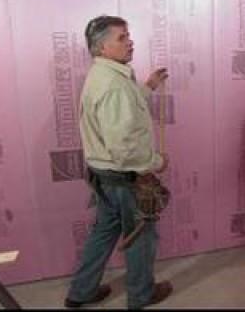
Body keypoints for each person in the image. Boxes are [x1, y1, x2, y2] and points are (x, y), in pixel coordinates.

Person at [64, 15, 173, 309]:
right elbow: (124, 147)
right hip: (124, 179)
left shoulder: (104, 76)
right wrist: (156, 161)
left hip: (104, 177)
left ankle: (81, 291)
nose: (130, 42)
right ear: (101, 48)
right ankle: (141, 295)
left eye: (129, 36)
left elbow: (122, 108)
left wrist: (148, 86)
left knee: (103, 232)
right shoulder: (114, 85)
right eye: (122, 38)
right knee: (141, 236)